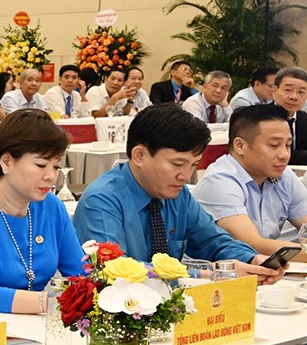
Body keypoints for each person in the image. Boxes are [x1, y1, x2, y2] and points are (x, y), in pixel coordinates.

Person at [74, 105, 282, 280]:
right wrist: (208, 273)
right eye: (177, 164)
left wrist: (251, 259)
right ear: (139, 155)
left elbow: (212, 241)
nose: (186, 176)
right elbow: (114, 272)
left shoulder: (177, 194)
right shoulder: (102, 200)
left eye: (194, 165)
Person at [0, 110, 85, 317]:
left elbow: (80, 274)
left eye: (56, 166)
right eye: (40, 165)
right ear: (6, 162)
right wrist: (54, 301)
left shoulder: (52, 207)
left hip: (37, 325)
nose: (51, 176)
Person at [194, 104, 307, 261]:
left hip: (265, 273)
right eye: (274, 145)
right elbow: (252, 244)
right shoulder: (220, 180)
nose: (284, 154)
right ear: (240, 145)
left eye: (287, 145)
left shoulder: (284, 175)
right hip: (218, 276)